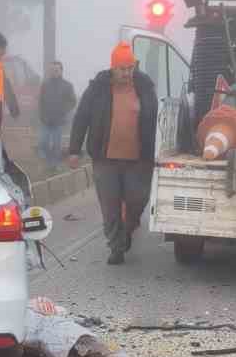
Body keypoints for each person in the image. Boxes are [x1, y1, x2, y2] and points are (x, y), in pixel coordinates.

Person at [68, 41, 158, 266]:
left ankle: (128, 230)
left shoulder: (145, 87)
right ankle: (116, 247)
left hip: (138, 159)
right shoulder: (97, 89)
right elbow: (81, 118)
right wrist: (74, 150)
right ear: (113, 68)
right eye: (122, 69)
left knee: (138, 199)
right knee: (110, 205)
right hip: (105, 158)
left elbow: (155, 120)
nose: (127, 73)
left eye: (130, 68)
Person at [37, 61, 77, 169]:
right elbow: (40, 101)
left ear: (61, 71)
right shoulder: (45, 85)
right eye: (52, 70)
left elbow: (73, 101)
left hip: (59, 121)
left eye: (56, 70)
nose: (54, 72)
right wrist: (41, 114)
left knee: (56, 145)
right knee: (43, 143)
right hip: (45, 120)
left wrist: (63, 110)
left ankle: (54, 165)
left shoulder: (67, 85)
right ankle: (49, 161)